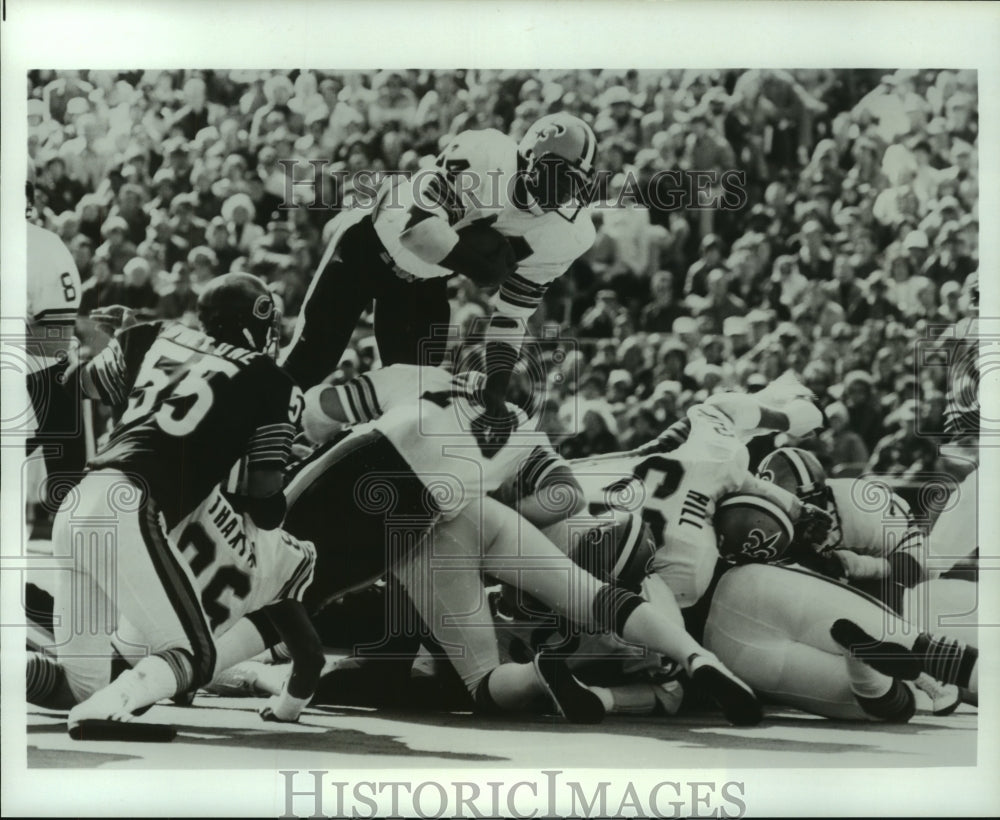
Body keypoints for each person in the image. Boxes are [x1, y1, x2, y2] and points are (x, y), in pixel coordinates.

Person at [53, 273, 308, 737]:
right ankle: (105, 708)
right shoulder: (272, 381)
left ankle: (91, 701)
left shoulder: (151, 334)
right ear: (258, 322)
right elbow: (265, 497)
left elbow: (77, 383)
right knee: (195, 654)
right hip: (131, 506)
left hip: (80, 498)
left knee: (77, 683)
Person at [280, 113, 600, 415]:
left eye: (574, 184)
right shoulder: (488, 156)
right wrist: (482, 270)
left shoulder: (567, 232)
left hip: (424, 281)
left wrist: (495, 391)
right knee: (306, 367)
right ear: (529, 154)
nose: (562, 192)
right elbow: (416, 230)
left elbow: (513, 315)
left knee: (412, 402)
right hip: (366, 247)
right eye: (558, 175)